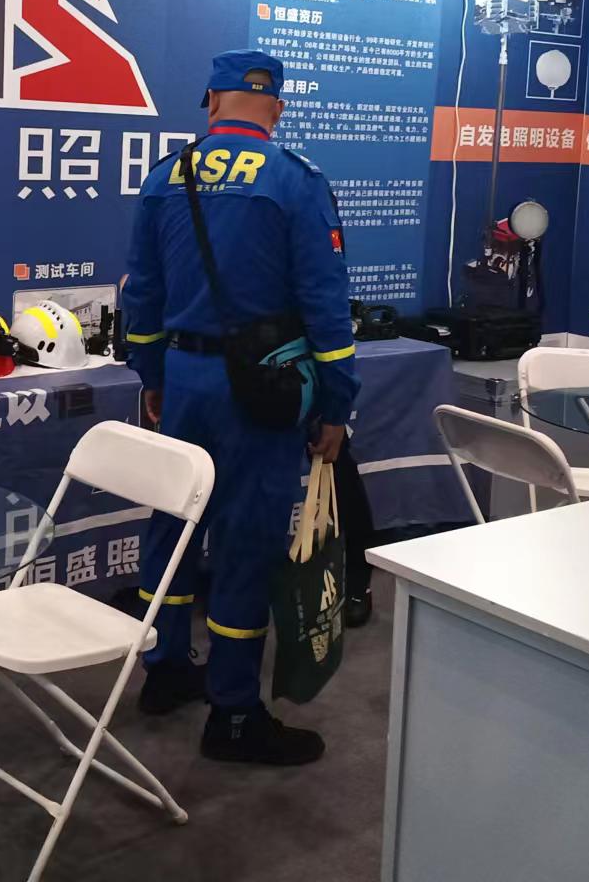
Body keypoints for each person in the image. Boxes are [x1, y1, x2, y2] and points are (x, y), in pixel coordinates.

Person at [122, 48, 360, 766]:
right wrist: (336, 405)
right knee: (246, 540)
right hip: (259, 388)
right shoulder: (296, 181)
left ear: (211, 101)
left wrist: (153, 374)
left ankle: (165, 669)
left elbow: (142, 294)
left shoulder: (168, 176)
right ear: (277, 108)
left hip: (184, 378)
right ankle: (232, 713)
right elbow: (325, 304)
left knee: (171, 524)